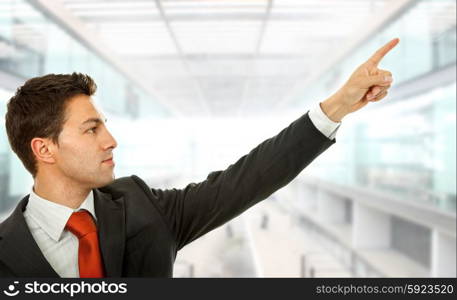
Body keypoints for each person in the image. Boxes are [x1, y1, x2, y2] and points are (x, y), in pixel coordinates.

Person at [0, 38, 399, 277]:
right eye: (91, 129)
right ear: (44, 149)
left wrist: (336, 107)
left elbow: (247, 179)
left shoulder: (142, 206)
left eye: (104, 125)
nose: (111, 140)